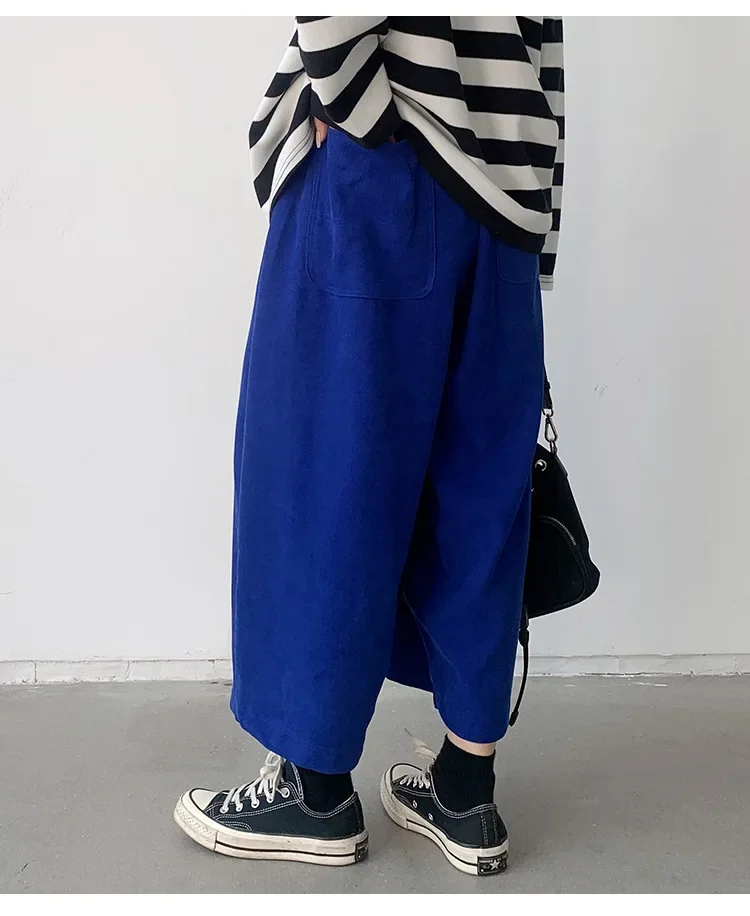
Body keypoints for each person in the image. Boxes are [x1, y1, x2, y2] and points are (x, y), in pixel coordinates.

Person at [174, 15, 564, 876]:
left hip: (384, 174)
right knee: (482, 498)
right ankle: (466, 792)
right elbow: (545, 51)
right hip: (507, 195)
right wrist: (535, 230)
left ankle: (314, 794)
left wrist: (360, 120)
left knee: (324, 479)